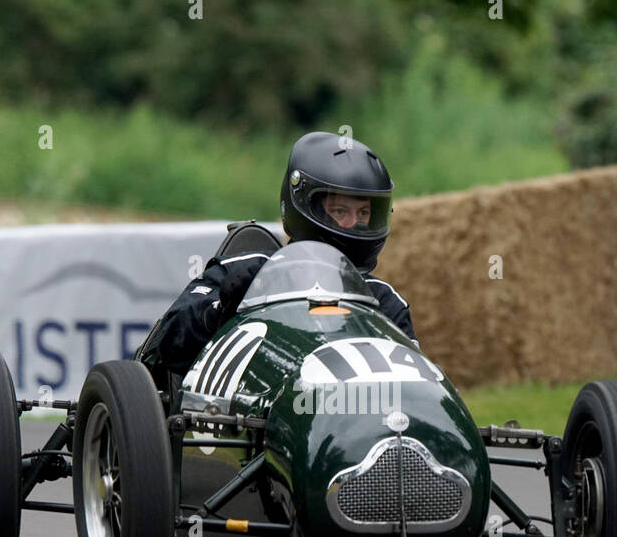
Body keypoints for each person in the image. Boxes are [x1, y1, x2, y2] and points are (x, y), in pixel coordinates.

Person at [141, 131, 415, 375]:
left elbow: (411, 380)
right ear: (303, 207)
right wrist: (221, 310)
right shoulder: (240, 270)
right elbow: (161, 351)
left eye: (364, 213)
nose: (353, 224)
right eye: (340, 211)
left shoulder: (385, 301)